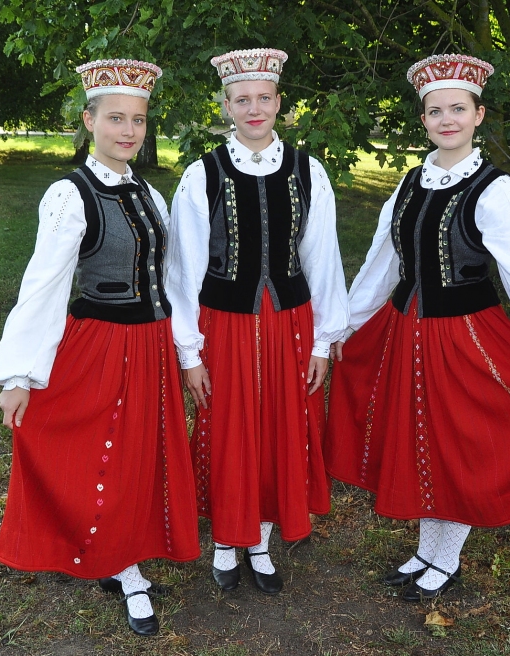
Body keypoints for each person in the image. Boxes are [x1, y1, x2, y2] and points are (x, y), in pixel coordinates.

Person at [324, 54, 510, 602]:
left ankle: (444, 559)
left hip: (465, 337)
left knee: (458, 445)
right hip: (404, 332)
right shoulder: (409, 183)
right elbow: (383, 263)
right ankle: (429, 552)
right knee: (421, 440)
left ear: (479, 115)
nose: (446, 119)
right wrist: (344, 326)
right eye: (435, 111)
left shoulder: (494, 189)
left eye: (458, 109)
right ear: (423, 120)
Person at [0, 58, 200, 635]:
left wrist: (186, 351)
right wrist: (19, 376)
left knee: (139, 456)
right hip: (103, 346)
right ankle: (123, 567)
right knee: (106, 453)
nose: (128, 131)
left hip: (151, 346)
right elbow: (45, 285)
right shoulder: (69, 194)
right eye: (115, 119)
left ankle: (121, 552)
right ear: (89, 120)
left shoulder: (150, 194)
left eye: (138, 120)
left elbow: (172, 278)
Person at [165, 48, 349, 594]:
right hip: (224, 321)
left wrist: (323, 341)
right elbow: (182, 269)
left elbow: (323, 258)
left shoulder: (308, 170)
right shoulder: (203, 174)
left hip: (290, 320)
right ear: (226, 105)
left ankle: (262, 539)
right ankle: (227, 539)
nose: (253, 108)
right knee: (227, 426)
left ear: (278, 103)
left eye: (263, 98)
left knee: (278, 427)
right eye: (241, 99)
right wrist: (190, 352)